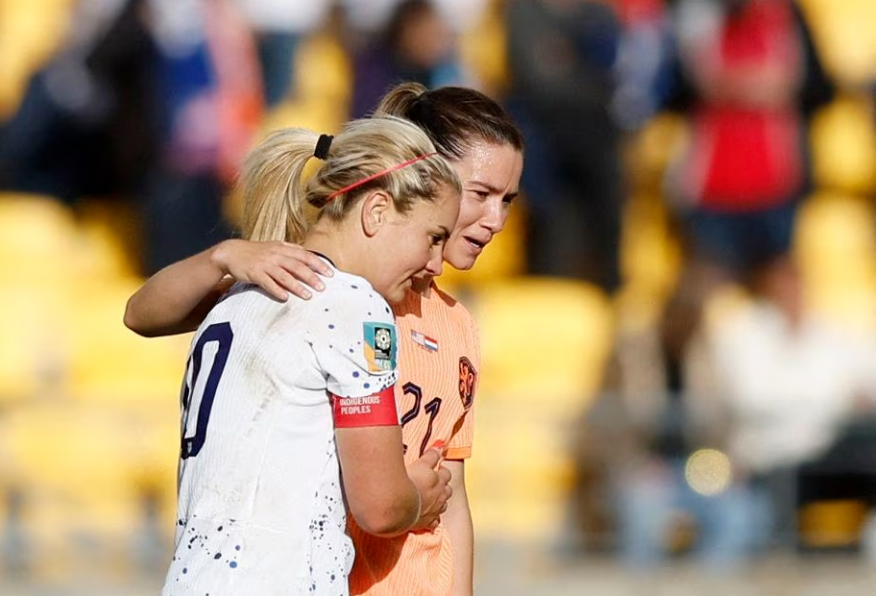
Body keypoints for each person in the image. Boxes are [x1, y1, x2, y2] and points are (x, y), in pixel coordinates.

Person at [125, 82, 524, 596]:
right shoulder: (338, 300)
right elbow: (382, 505)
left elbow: (453, 489)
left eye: (508, 200)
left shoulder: (254, 293)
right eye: (435, 234)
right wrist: (416, 501)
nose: (495, 221)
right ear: (383, 207)